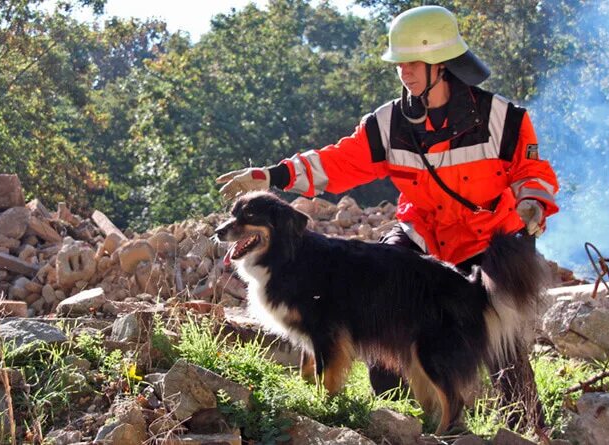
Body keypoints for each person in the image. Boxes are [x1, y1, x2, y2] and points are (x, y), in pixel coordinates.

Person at [216, 5, 557, 430]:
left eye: (413, 62)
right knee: (379, 325)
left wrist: (532, 205)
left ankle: (530, 428)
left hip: (489, 240)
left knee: (502, 346)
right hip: (421, 235)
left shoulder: (502, 119)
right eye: (399, 63)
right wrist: (272, 174)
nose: (404, 72)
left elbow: (533, 173)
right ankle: (405, 424)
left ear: (442, 63)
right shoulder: (389, 123)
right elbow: (338, 162)